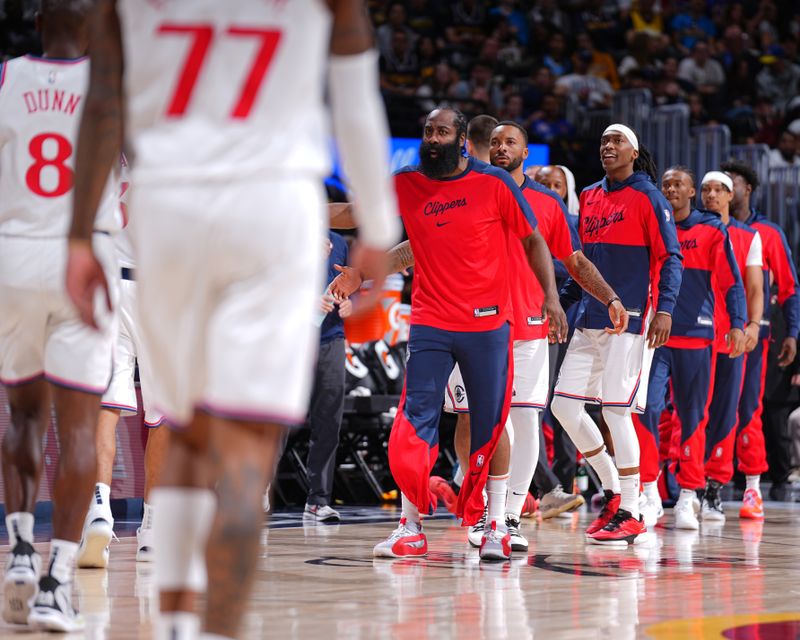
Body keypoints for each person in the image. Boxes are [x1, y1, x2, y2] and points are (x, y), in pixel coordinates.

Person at [66, 2, 400, 639]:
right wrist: (378, 227)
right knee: (245, 442)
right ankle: (218, 625)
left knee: (187, 428)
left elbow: (105, 103)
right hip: (273, 205)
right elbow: (355, 98)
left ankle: (174, 620)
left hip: (170, 204)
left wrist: (81, 236)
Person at [331, 106, 568, 562]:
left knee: (491, 424)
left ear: (461, 139)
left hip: (488, 323)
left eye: (442, 131)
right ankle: (409, 526)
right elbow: (357, 217)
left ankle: (497, 523)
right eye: (427, 131)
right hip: (431, 323)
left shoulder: (493, 184)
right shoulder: (407, 184)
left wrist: (551, 299)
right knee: (414, 420)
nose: (433, 138)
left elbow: (534, 240)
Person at [0, 0, 120, 631]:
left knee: (20, 412)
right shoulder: (112, 83)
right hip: (87, 252)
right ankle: (56, 582)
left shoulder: (5, 78)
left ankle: (19, 552)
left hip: (13, 253)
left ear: (39, 19)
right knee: (76, 431)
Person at [551, 124, 683, 546]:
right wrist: (559, 302)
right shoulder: (589, 195)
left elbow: (671, 258)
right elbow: (582, 264)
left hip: (630, 319)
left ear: (634, 151)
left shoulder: (649, 196)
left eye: (617, 141)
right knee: (564, 408)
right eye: (604, 141)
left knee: (615, 412)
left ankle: (633, 509)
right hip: (589, 318)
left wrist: (663, 310)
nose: (608, 147)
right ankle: (612, 490)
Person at [632, 166, 746, 531]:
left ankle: (688, 495)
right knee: (645, 408)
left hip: (696, 336)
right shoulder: (652, 227)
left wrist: (740, 323)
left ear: (692, 191)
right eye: (665, 184)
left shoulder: (711, 229)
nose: (670, 189)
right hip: (654, 338)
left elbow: (732, 283)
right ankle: (649, 491)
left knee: (692, 417)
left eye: (678, 183)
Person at [77, 158, 168, 569]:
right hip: (157, 291)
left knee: (107, 406)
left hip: (109, 285)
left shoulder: (100, 144)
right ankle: (152, 525)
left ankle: (99, 507)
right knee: (162, 417)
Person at [721, 159, 799, 516]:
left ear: (746, 188)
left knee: (753, 407)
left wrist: (793, 333)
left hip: (755, 333)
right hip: (713, 331)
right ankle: (713, 480)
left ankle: (757, 483)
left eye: (729, 183)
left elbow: (788, 289)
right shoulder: (707, 228)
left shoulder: (768, 233)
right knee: (713, 409)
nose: (722, 189)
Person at [699, 171, 763, 524]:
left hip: (730, 337)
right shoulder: (688, 228)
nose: (711, 195)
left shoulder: (747, 237)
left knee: (726, 415)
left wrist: (752, 324)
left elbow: (754, 288)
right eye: (705, 190)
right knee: (690, 414)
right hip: (692, 335)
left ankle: (713, 487)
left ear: (730, 196)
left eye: (718, 190)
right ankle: (681, 486)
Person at [304, 232, 353, 523]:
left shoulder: (341, 243)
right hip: (291, 338)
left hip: (331, 338)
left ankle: (318, 500)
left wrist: (349, 304)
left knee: (329, 421)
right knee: (277, 422)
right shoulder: (284, 233)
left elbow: (348, 284)